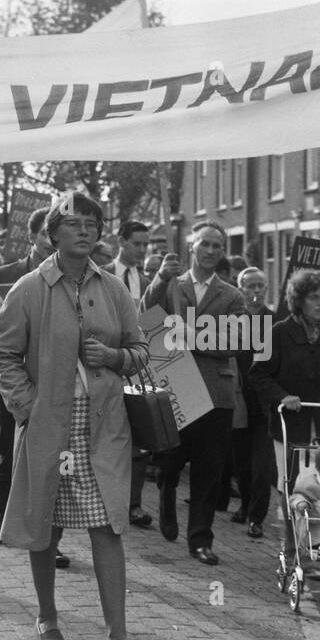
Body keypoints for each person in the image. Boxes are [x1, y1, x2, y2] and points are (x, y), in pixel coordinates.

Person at [0, 192, 150, 640]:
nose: (84, 231)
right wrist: (28, 408)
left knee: (108, 524)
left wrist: (116, 358)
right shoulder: (29, 288)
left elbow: (142, 349)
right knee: (47, 521)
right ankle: (46, 616)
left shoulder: (115, 288)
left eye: (91, 223)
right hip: (49, 425)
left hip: (103, 427)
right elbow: (2, 356)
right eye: (73, 223)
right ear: (52, 233)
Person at [143, 223, 247, 565]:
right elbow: (146, 314)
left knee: (209, 469)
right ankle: (165, 492)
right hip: (177, 384)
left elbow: (237, 341)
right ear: (192, 247)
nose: (212, 251)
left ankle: (200, 539)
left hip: (217, 393)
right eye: (206, 244)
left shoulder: (232, 296)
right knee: (171, 460)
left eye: (218, 246)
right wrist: (159, 278)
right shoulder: (173, 283)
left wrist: (191, 334)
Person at [249, 267, 320, 580]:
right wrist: (283, 396)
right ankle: (298, 552)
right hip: (290, 429)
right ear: (299, 300)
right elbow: (258, 374)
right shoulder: (277, 332)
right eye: (315, 297)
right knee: (295, 492)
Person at [0, 206, 55, 549]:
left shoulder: (70, 276)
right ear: (31, 237)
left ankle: (44, 532)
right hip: (10, 378)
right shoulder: (4, 275)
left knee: (46, 454)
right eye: (44, 233)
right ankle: (0, 514)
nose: (50, 240)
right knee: (6, 446)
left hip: (49, 381)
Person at [105, 219, 153, 528]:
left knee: (141, 434)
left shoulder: (148, 281)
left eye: (146, 244)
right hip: (108, 363)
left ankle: (134, 503)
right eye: (137, 243)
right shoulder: (102, 274)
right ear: (122, 241)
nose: (142, 249)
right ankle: (110, 499)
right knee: (110, 434)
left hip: (139, 365)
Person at [231, 267, 276, 537]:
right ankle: (245, 505)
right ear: (241, 289)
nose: (256, 291)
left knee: (262, 464)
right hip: (239, 398)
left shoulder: (276, 321)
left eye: (261, 286)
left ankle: (256, 517)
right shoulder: (234, 320)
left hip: (265, 401)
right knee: (241, 460)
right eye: (251, 286)